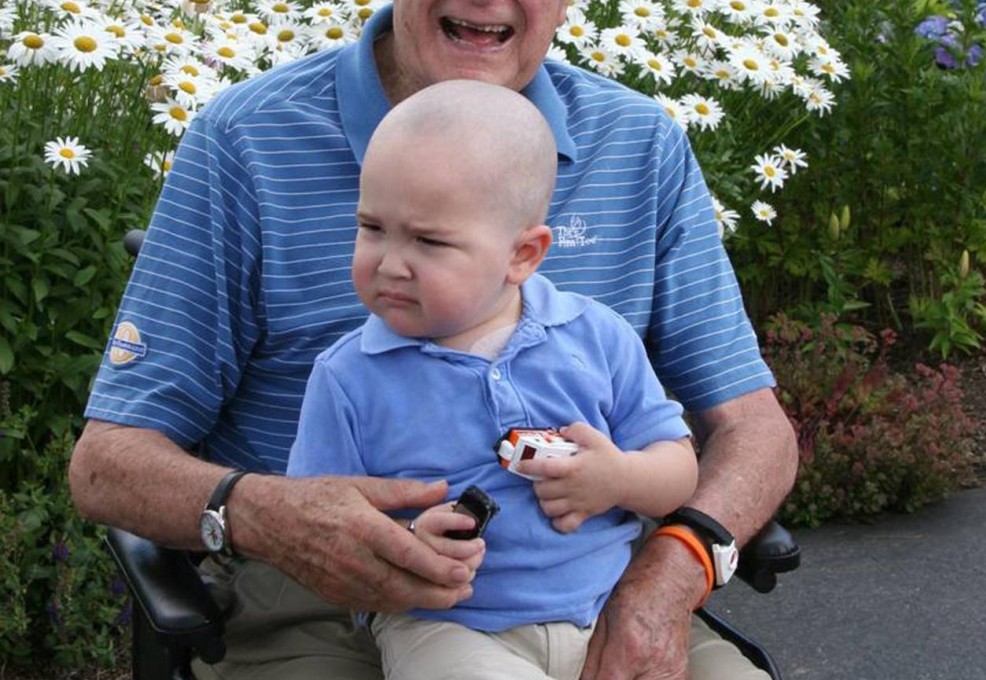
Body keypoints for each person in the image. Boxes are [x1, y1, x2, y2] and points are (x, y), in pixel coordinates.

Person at [69, 2, 798, 679]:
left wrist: (678, 564)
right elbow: (107, 463)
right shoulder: (248, 138)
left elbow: (753, 428)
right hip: (318, 595)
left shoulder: (639, 143)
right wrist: (268, 514)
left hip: (594, 581)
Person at [286, 79, 700, 680]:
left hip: (608, 612)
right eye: (372, 227)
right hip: (448, 629)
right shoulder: (351, 376)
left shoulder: (596, 337)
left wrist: (619, 477)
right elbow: (317, 526)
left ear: (523, 256)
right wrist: (406, 538)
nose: (389, 262)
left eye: (428, 240)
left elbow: (678, 468)